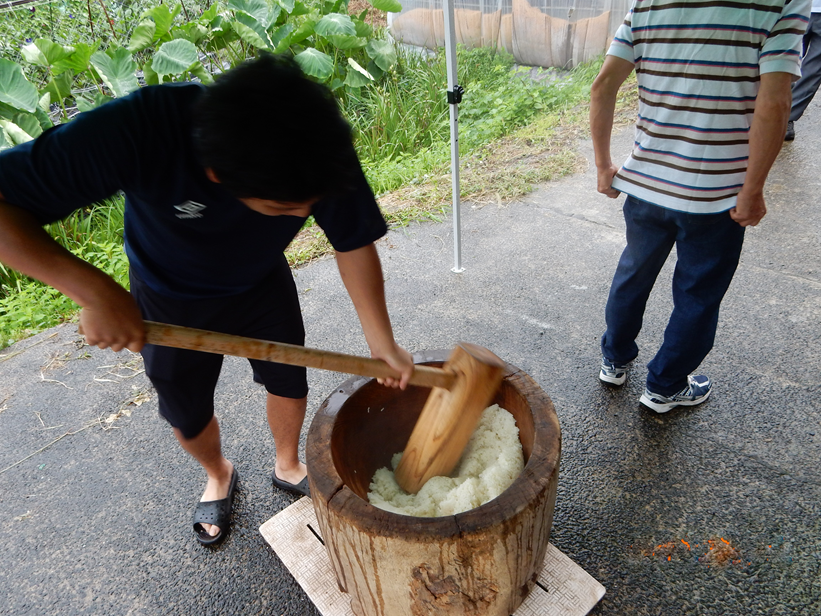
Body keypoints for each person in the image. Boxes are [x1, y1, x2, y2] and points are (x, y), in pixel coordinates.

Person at [0, 54, 415, 545]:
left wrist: (380, 341)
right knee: (187, 410)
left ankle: (287, 463)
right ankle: (219, 474)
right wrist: (94, 292)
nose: (309, 213)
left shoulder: (313, 143)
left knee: (287, 379)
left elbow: (352, 239)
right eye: (285, 208)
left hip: (259, 280)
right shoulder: (140, 128)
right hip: (166, 294)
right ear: (216, 174)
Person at [590, 0, 809, 413]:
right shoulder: (783, 3)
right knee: (698, 293)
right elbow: (775, 102)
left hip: (646, 185)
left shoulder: (649, 2)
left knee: (632, 273)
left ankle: (614, 360)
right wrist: (753, 188)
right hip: (716, 195)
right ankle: (665, 386)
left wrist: (604, 165)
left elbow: (603, 85)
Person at [786, 0, 821, 140]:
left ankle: (786, 117)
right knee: (784, 62)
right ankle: (772, 111)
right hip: (794, 8)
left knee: (814, 69)